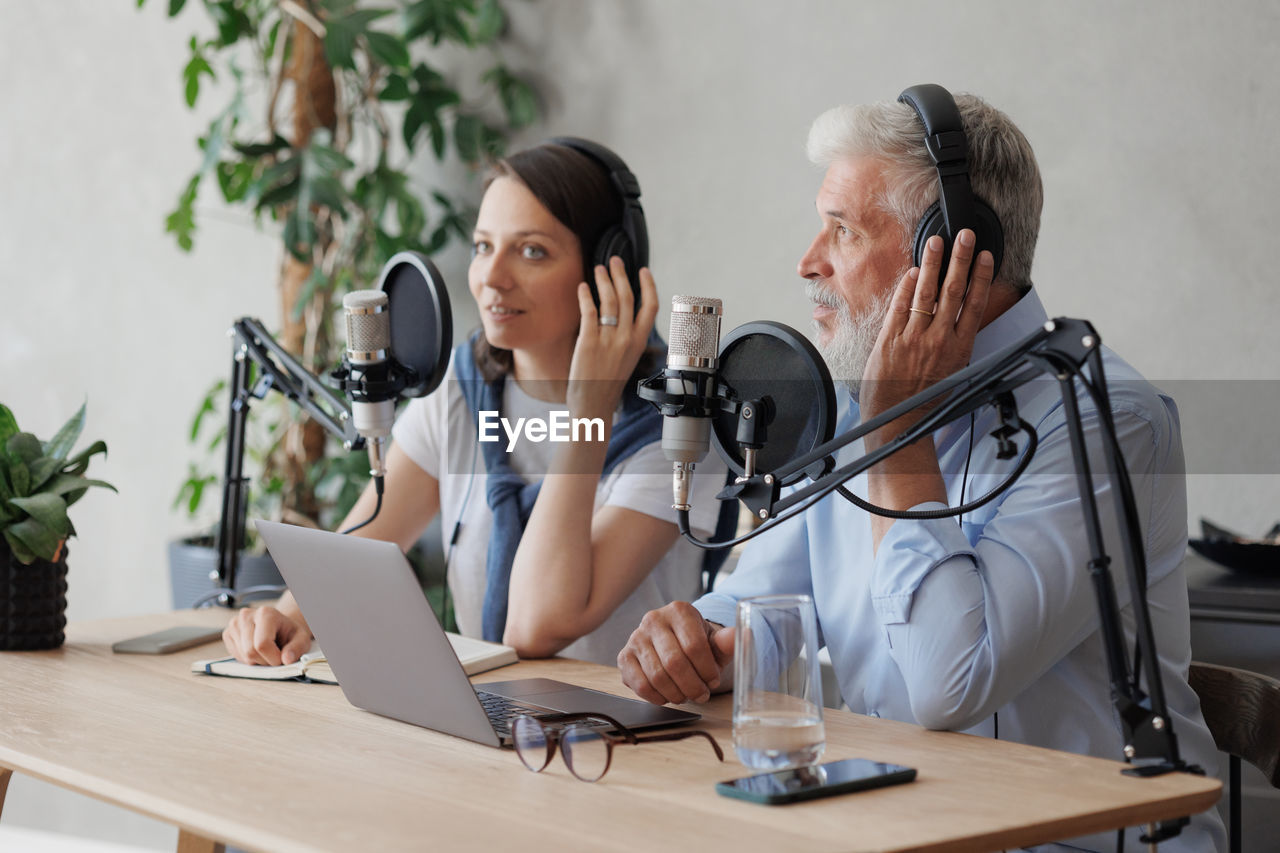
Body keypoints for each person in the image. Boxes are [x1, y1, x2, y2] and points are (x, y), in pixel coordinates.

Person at [618, 89, 1226, 852]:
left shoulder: (1107, 420)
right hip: (903, 825)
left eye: (842, 230)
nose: (808, 263)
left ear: (953, 249)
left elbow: (951, 684)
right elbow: (759, 600)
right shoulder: (848, 408)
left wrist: (901, 437)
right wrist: (695, 642)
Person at [223, 139, 726, 668]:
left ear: (608, 268)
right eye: (483, 247)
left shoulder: (676, 426)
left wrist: (588, 414)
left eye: (532, 250)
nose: (492, 277)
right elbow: (365, 542)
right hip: (490, 716)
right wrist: (285, 616)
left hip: (627, 732)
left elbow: (536, 625)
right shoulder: (461, 389)